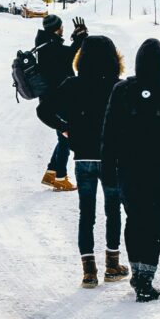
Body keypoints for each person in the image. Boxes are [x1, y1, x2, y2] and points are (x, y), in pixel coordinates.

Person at [101, 37, 160, 302]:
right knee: (153, 223)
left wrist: (108, 167)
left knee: (134, 220)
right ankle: (145, 277)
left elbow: (109, 133)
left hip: (130, 168)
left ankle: (138, 272)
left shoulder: (122, 90)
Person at [65, 28, 126, 285]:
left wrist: (64, 127)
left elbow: (43, 110)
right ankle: (112, 265)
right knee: (113, 210)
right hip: (112, 158)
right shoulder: (120, 87)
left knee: (86, 214)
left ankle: (88, 272)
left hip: (83, 158)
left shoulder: (73, 84)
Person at [32, 13, 76, 191]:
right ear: (58, 28)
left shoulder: (47, 43)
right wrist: (80, 39)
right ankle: (59, 177)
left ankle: (51, 173)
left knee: (63, 136)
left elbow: (68, 54)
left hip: (54, 98)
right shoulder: (51, 47)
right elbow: (70, 56)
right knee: (65, 136)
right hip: (57, 99)